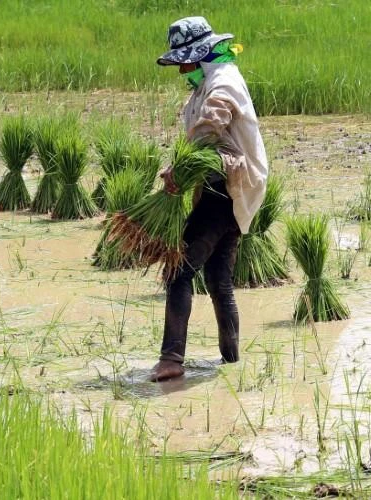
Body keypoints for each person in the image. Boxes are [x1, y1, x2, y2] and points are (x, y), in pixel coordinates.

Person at [150, 16, 268, 382]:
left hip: (225, 192)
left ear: (199, 56)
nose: (183, 70)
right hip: (227, 190)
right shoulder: (208, 83)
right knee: (219, 279)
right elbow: (202, 134)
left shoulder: (223, 82)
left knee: (178, 272)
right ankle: (231, 360)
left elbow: (211, 124)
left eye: (185, 62)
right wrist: (180, 167)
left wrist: (180, 170)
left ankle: (171, 360)